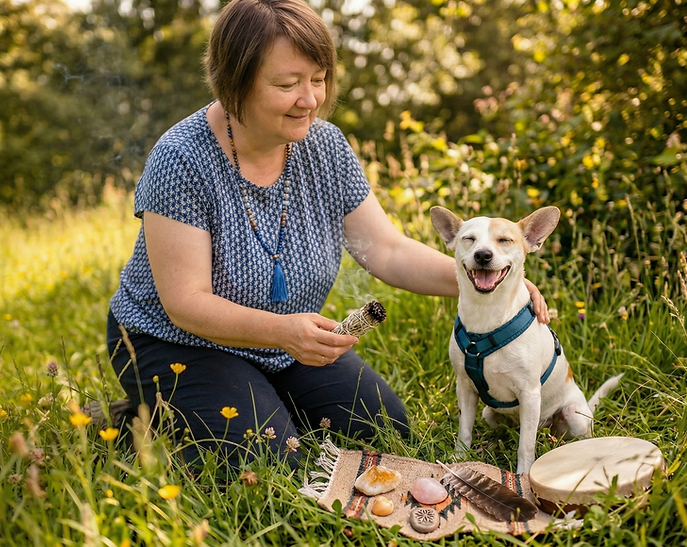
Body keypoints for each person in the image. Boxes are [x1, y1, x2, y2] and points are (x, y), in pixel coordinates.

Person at [106, 0, 548, 468]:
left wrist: (491, 280)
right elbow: (185, 302)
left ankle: (256, 395)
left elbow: (387, 250)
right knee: (274, 462)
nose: (310, 99)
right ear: (233, 82)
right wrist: (282, 332)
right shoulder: (181, 159)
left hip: (286, 343)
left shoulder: (325, 146)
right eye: (287, 84)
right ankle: (146, 414)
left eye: (317, 79)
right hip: (174, 342)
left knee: (386, 432)